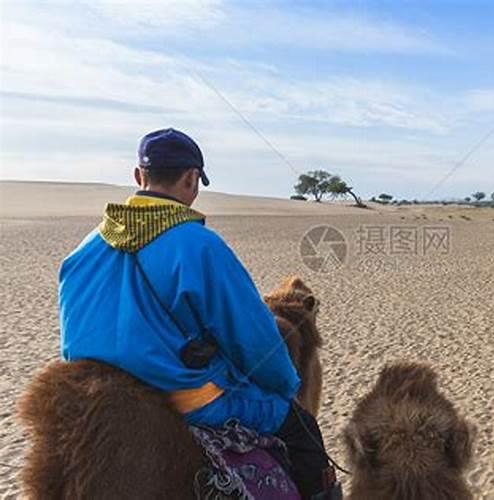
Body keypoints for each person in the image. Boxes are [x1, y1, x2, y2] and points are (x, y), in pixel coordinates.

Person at [59, 128, 339, 499]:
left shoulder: (85, 247)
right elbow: (255, 342)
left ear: (138, 176)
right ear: (192, 180)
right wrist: (287, 389)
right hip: (184, 401)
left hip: (94, 399)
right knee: (304, 434)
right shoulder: (200, 246)